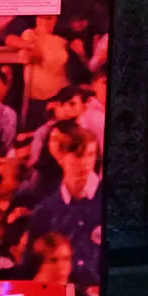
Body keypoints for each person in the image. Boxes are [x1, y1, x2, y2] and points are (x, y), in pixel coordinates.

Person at [26, 122, 101, 284]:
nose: (85, 162)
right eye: (77, 155)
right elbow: (31, 266)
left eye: (90, 155)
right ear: (60, 157)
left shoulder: (107, 201)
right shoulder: (45, 211)